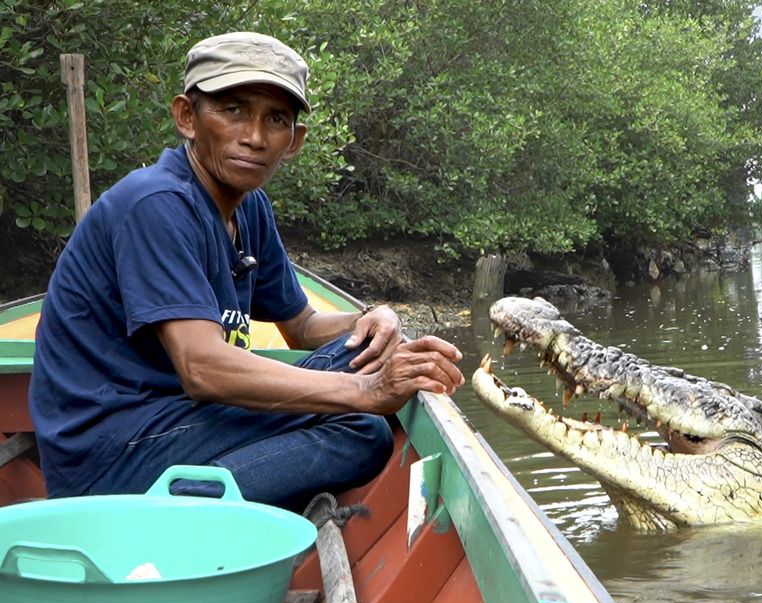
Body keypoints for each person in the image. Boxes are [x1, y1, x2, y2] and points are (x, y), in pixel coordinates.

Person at [29, 32, 464, 512]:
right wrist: (367, 389)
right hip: (112, 456)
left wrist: (371, 319)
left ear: (294, 141)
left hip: (178, 420)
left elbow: (300, 327)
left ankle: (212, 497)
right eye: (233, 110)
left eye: (275, 119)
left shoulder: (248, 208)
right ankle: (165, 512)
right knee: (364, 429)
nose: (254, 137)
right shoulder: (156, 204)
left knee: (359, 367)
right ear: (187, 117)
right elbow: (203, 368)